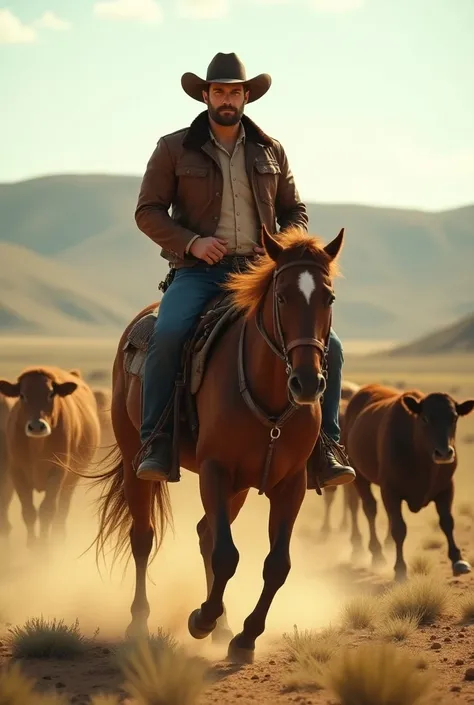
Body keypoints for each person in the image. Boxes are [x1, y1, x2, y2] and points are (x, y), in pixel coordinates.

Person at [134, 51, 356, 489]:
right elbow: (148, 211)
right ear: (205, 95)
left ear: (247, 96)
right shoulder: (173, 148)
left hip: (261, 273)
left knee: (330, 345)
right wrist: (192, 242)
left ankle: (327, 448)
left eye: (235, 91)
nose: (227, 99)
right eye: (219, 91)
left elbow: (295, 211)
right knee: (169, 333)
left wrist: (281, 246)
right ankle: (156, 441)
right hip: (199, 271)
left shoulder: (271, 150)